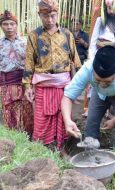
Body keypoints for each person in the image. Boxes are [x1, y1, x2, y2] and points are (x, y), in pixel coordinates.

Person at [22, 0, 81, 151]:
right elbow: (29, 62)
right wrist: (27, 85)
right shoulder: (34, 36)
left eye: (53, 15)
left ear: (57, 14)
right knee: (42, 119)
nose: (50, 20)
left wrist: (81, 82)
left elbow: (76, 60)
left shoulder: (67, 35)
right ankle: (42, 150)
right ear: (39, 15)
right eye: (45, 16)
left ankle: (62, 149)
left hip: (64, 85)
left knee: (63, 117)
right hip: (43, 84)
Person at [61, 46, 115, 147]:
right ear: (93, 71)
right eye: (98, 80)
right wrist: (67, 120)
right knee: (91, 125)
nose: (102, 84)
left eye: (108, 82)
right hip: (98, 94)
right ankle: (90, 158)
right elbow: (68, 96)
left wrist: (114, 120)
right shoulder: (87, 69)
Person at [0, 10, 33, 135]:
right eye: (5, 24)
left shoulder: (25, 42)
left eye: (12, 24)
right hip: (5, 83)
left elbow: (31, 63)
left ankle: (28, 137)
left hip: (24, 82)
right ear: (1, 26)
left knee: (26, 110)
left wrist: (30, 83)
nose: (9, 27)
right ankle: (14, 138)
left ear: (16, 25)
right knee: (9, 110)